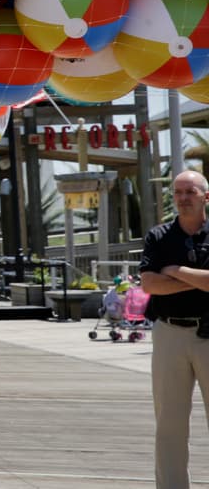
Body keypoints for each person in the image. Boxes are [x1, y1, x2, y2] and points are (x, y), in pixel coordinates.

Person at [139, 169, 209, 489]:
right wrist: (197, 280)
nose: (182, 198)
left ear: (205, 196)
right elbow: (150, 284)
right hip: (169, 334)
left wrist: (175, 271)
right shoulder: (158, 236)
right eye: (178, 192)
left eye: (190, 192)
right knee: (169, 423)